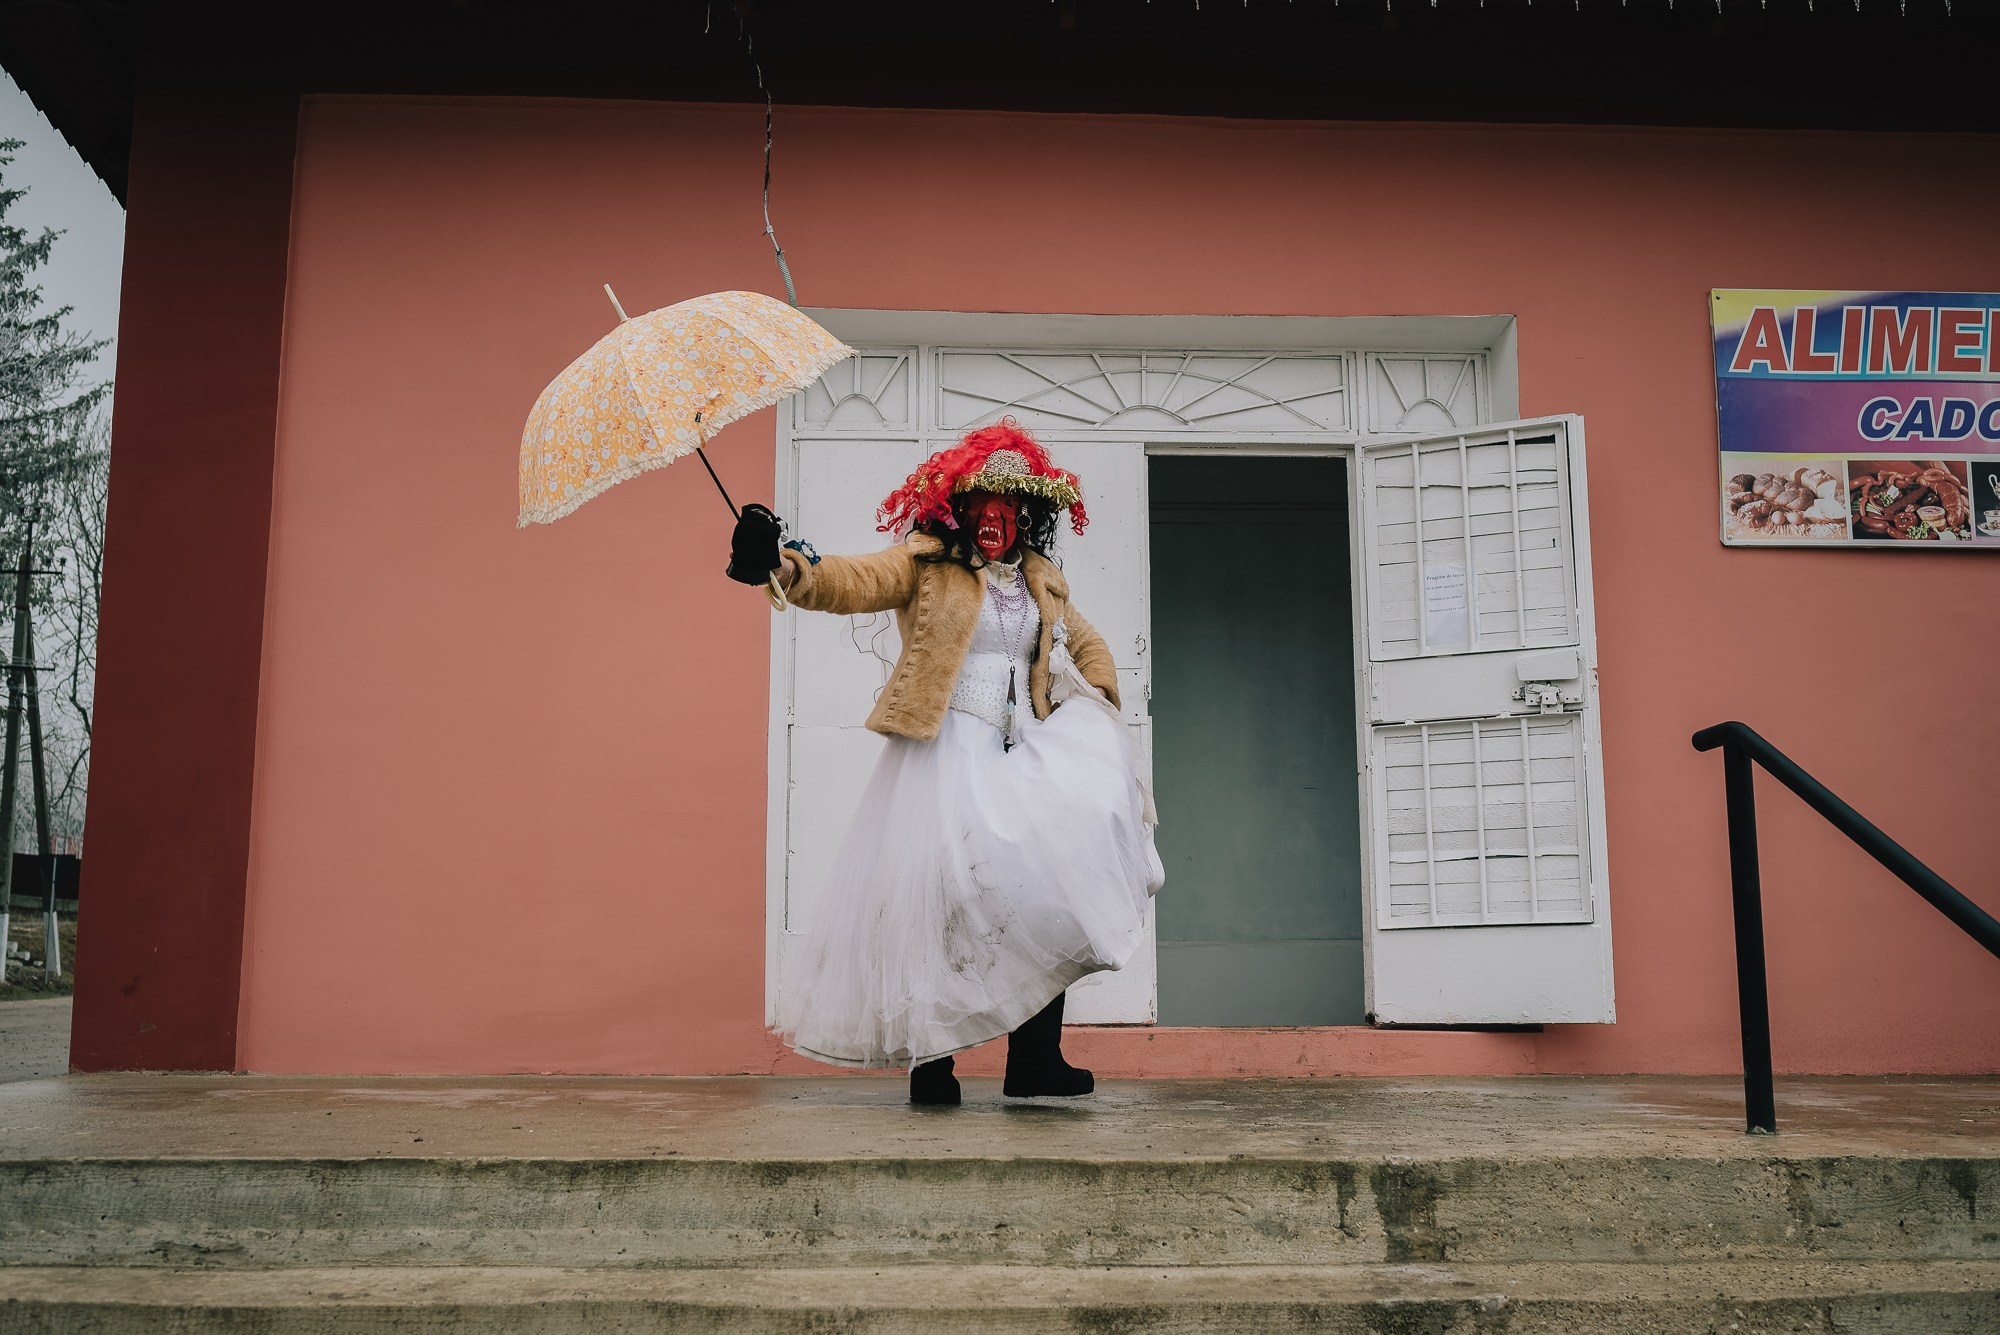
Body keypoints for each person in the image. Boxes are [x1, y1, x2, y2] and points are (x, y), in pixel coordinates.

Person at [727, 421, 1163, 1105]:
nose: (997, 517)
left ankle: (1034, 1060)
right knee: (940, 904)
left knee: (1041, 893)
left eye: (1010, 504)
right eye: (984, 502)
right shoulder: (927, 564)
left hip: (1024, 753)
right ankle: (931, 1062)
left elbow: (1086, 642)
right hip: (945, 751)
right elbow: (851, 580)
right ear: (958, 507)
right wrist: (782, 565)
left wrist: (1097, 702)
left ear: (1027, 512)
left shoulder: (1042, 580)